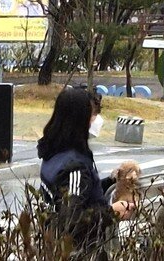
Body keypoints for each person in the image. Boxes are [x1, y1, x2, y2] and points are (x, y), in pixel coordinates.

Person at [38, 85, 133, 252]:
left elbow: (79, 192)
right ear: (79, 119)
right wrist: (112, 212)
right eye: (92, 114)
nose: (94, 120)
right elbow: (72, 220)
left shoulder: (54, 152)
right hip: (81, 251)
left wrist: (109, 182)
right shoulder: (75, 167)